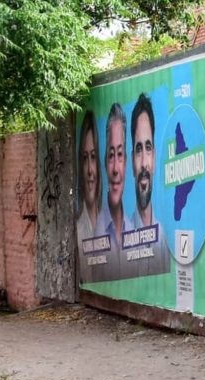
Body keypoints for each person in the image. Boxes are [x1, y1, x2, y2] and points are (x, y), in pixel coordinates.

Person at [128, 93, 169, 275]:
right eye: (138, 149)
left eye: (148, 147)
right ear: (131, 162)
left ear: (154, 156)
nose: (144, 162)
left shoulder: (163, 240)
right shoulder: (122, 240)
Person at [94, 102, 132, 280]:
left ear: (127, 160)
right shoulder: (95, 231)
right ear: (104, 162)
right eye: (111, 155)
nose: (116, 168)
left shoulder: (134, 230)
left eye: (120, 154)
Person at [76, 110, 101, 283]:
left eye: (93, 157)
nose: (90, 170)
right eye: (85, 159)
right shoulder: (78, 227)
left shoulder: (112, 225)